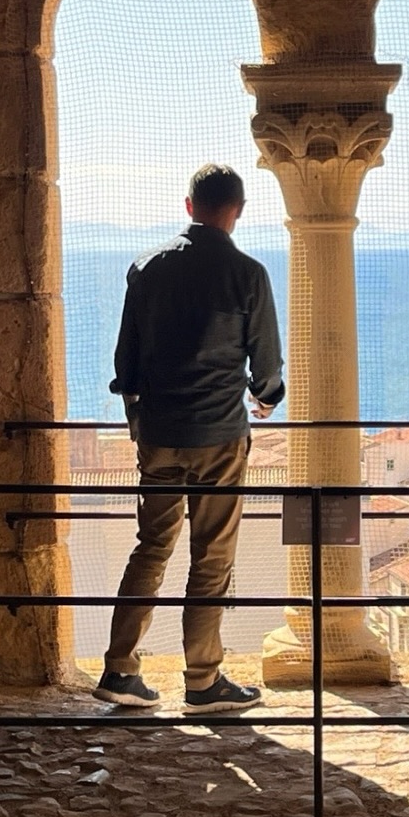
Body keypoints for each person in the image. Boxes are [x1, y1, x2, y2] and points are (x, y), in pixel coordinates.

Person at [94, 164, 284, 715]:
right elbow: (266, 362)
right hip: (220, 436)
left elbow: (125, 358)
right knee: (211, 556)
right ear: (238, 211)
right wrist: (266, 395)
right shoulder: (248, 274)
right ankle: (202, 679)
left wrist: (137, 419)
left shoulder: (146, 268)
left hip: (157, 433)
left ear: (189, 206)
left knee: (150, 546)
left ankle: (119, 668)